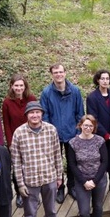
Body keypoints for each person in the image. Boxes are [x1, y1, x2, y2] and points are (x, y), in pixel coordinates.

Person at [10, 101, 63, 217]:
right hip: (30, 180)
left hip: (49, 177)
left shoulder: (51, 129)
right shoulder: (19, 133)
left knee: (51, 210)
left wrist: (59, 176)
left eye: (37, 112)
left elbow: (57, 154)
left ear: (42, 114)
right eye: (31, 113)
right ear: (26, 115)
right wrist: (20, 184)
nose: (34, 115)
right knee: (30, 213)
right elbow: (16, 161)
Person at [40, 63, 84, 204]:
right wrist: (50, 133)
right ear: (52, 75)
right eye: (55, 72)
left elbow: (80, 113)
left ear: (65, 73)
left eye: (60, 72)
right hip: (54, 135)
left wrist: (78, 132)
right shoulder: (46, 93)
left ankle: (72, 186)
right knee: (55, 163)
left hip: (72, 133)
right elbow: (44, 115)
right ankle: (59, 188)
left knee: (72, 162)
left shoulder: (75, 91)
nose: (58, 75)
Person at [67, 115, 109, 217]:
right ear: (80, 126)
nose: (88, 128)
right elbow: (72, 164)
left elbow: (105, 161)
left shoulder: (99, 141)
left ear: (94, 127)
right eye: (85, 125)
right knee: (84, 210)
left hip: (99, 179)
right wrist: (84, 181)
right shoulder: (73, 143)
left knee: (98, 206)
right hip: (81, 180)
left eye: (91, 126)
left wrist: (95, 181)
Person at [1, 74, 37, 208]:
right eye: (16, 85)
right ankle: (20, 193)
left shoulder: (31, 99)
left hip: (31, 139)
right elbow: (6, 124)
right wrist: (10, 143)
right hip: (16, 140)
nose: (19, 88)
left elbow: (36, 118)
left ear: (25, 86)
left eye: (21, 85)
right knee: (18, 167)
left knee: (32, 165)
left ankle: (34, 192)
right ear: (11, 86)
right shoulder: (7, 102)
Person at [86, 69, 110, 193]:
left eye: (107, 79)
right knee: (103, 160)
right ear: (98, 80)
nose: (105, 81)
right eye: (102, 78)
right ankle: (99, 186)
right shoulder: (92, 97)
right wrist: (106, 134)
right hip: (101, 135)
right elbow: (93, 119)